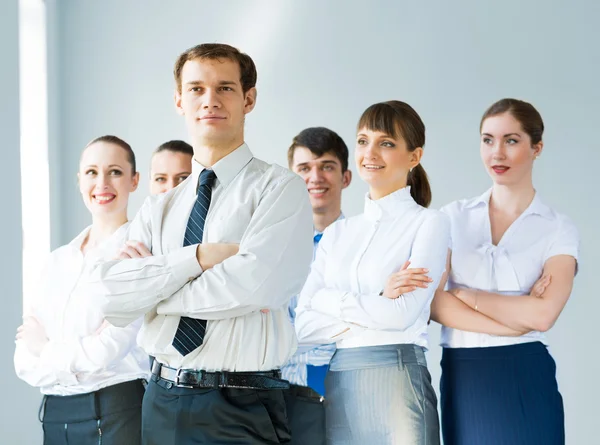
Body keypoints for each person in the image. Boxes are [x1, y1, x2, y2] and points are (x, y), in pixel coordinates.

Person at [86, 43, 313, 444]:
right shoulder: (159, 208)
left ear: (249, 99)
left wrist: (154, 294)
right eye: (196, 89)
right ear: (179, 100)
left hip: (241, 403)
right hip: (160, 399)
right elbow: (111, 295)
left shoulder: (280, 189)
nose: (210, 100)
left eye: (224, 88)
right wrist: (197, 258)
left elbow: (253, 285)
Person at [295, 100, 447, 444]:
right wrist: (378, 298)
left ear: (414, 156)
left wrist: (329, 301)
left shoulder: (429, 223)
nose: (370, 153)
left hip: (398, 380)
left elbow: (403, 315)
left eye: (387, 143)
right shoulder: (338, 234)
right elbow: (303, 327)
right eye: (363, 141)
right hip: (341, 385)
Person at [431, 98, 579, 445]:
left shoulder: (558, 228)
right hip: (464, 375)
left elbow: (543, 315)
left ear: (536, 148)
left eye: (511, 140)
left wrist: (466, 296)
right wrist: (515, 318)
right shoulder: (452, 217)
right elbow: (433, 305)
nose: (497, 153)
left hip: (526, 373)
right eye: (488, 140)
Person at [14, 135, 149, 445]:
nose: (101, 183)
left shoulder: (138, 257)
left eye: (114, 171)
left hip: (117, 413)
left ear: (134, 180)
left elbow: (108, 350)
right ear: (79, 180)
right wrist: (78, 359)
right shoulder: (55, 262)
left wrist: (46, 350)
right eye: (91, 172)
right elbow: (24, 360)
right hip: (54, 414)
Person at [282, 127, 352, 444]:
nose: (316, 177)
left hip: (347, 395)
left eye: (326, 166)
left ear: (346, 177)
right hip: (283, 399)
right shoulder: (273, 247)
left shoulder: (363, 244)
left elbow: (358, 321)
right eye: (304, 168)